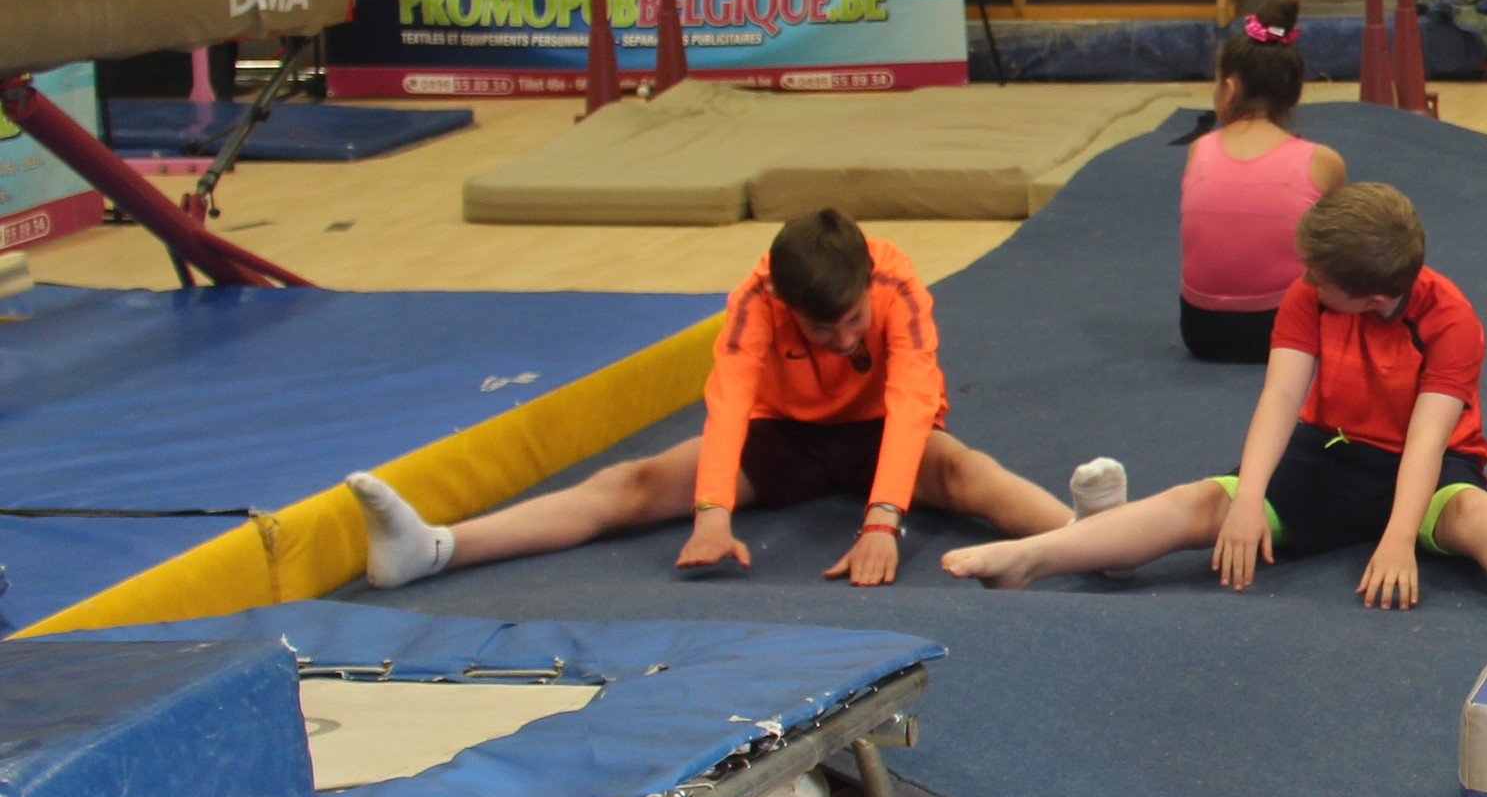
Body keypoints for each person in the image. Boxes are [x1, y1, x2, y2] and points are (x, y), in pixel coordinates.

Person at [348, 206, 1111, 589]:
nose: (846, 341)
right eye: (824, 329)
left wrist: (884, 520)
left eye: (853, 322)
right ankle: (438, 546)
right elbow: (729, 403)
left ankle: (1098, 538)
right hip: (780, 438)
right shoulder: (755, 299)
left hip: (880, 429)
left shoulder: (897, 284)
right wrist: (713, 511)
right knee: (630, 483)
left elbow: (913, 400)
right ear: (785, 305)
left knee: (971, 473)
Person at [946, 180, 1487, 606]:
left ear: (1369, 298)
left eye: (1317, 275)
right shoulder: (1309, 294)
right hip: (1330, 451)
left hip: (1428, 462)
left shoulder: (1450, 320)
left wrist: (1399, 541)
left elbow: (1425, 440)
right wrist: (1246, 499)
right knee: (1202, 501)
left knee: (1479, 516)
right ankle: (1033, 558)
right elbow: (1281, 399)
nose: (1304, 279)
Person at [1179, 0, 1346, 363]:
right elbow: (1341, 253)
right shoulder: (1322, 161)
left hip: (1201, 331)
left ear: (1229, 88)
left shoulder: (1199, 151)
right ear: (1294, 92)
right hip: (1286, 331)